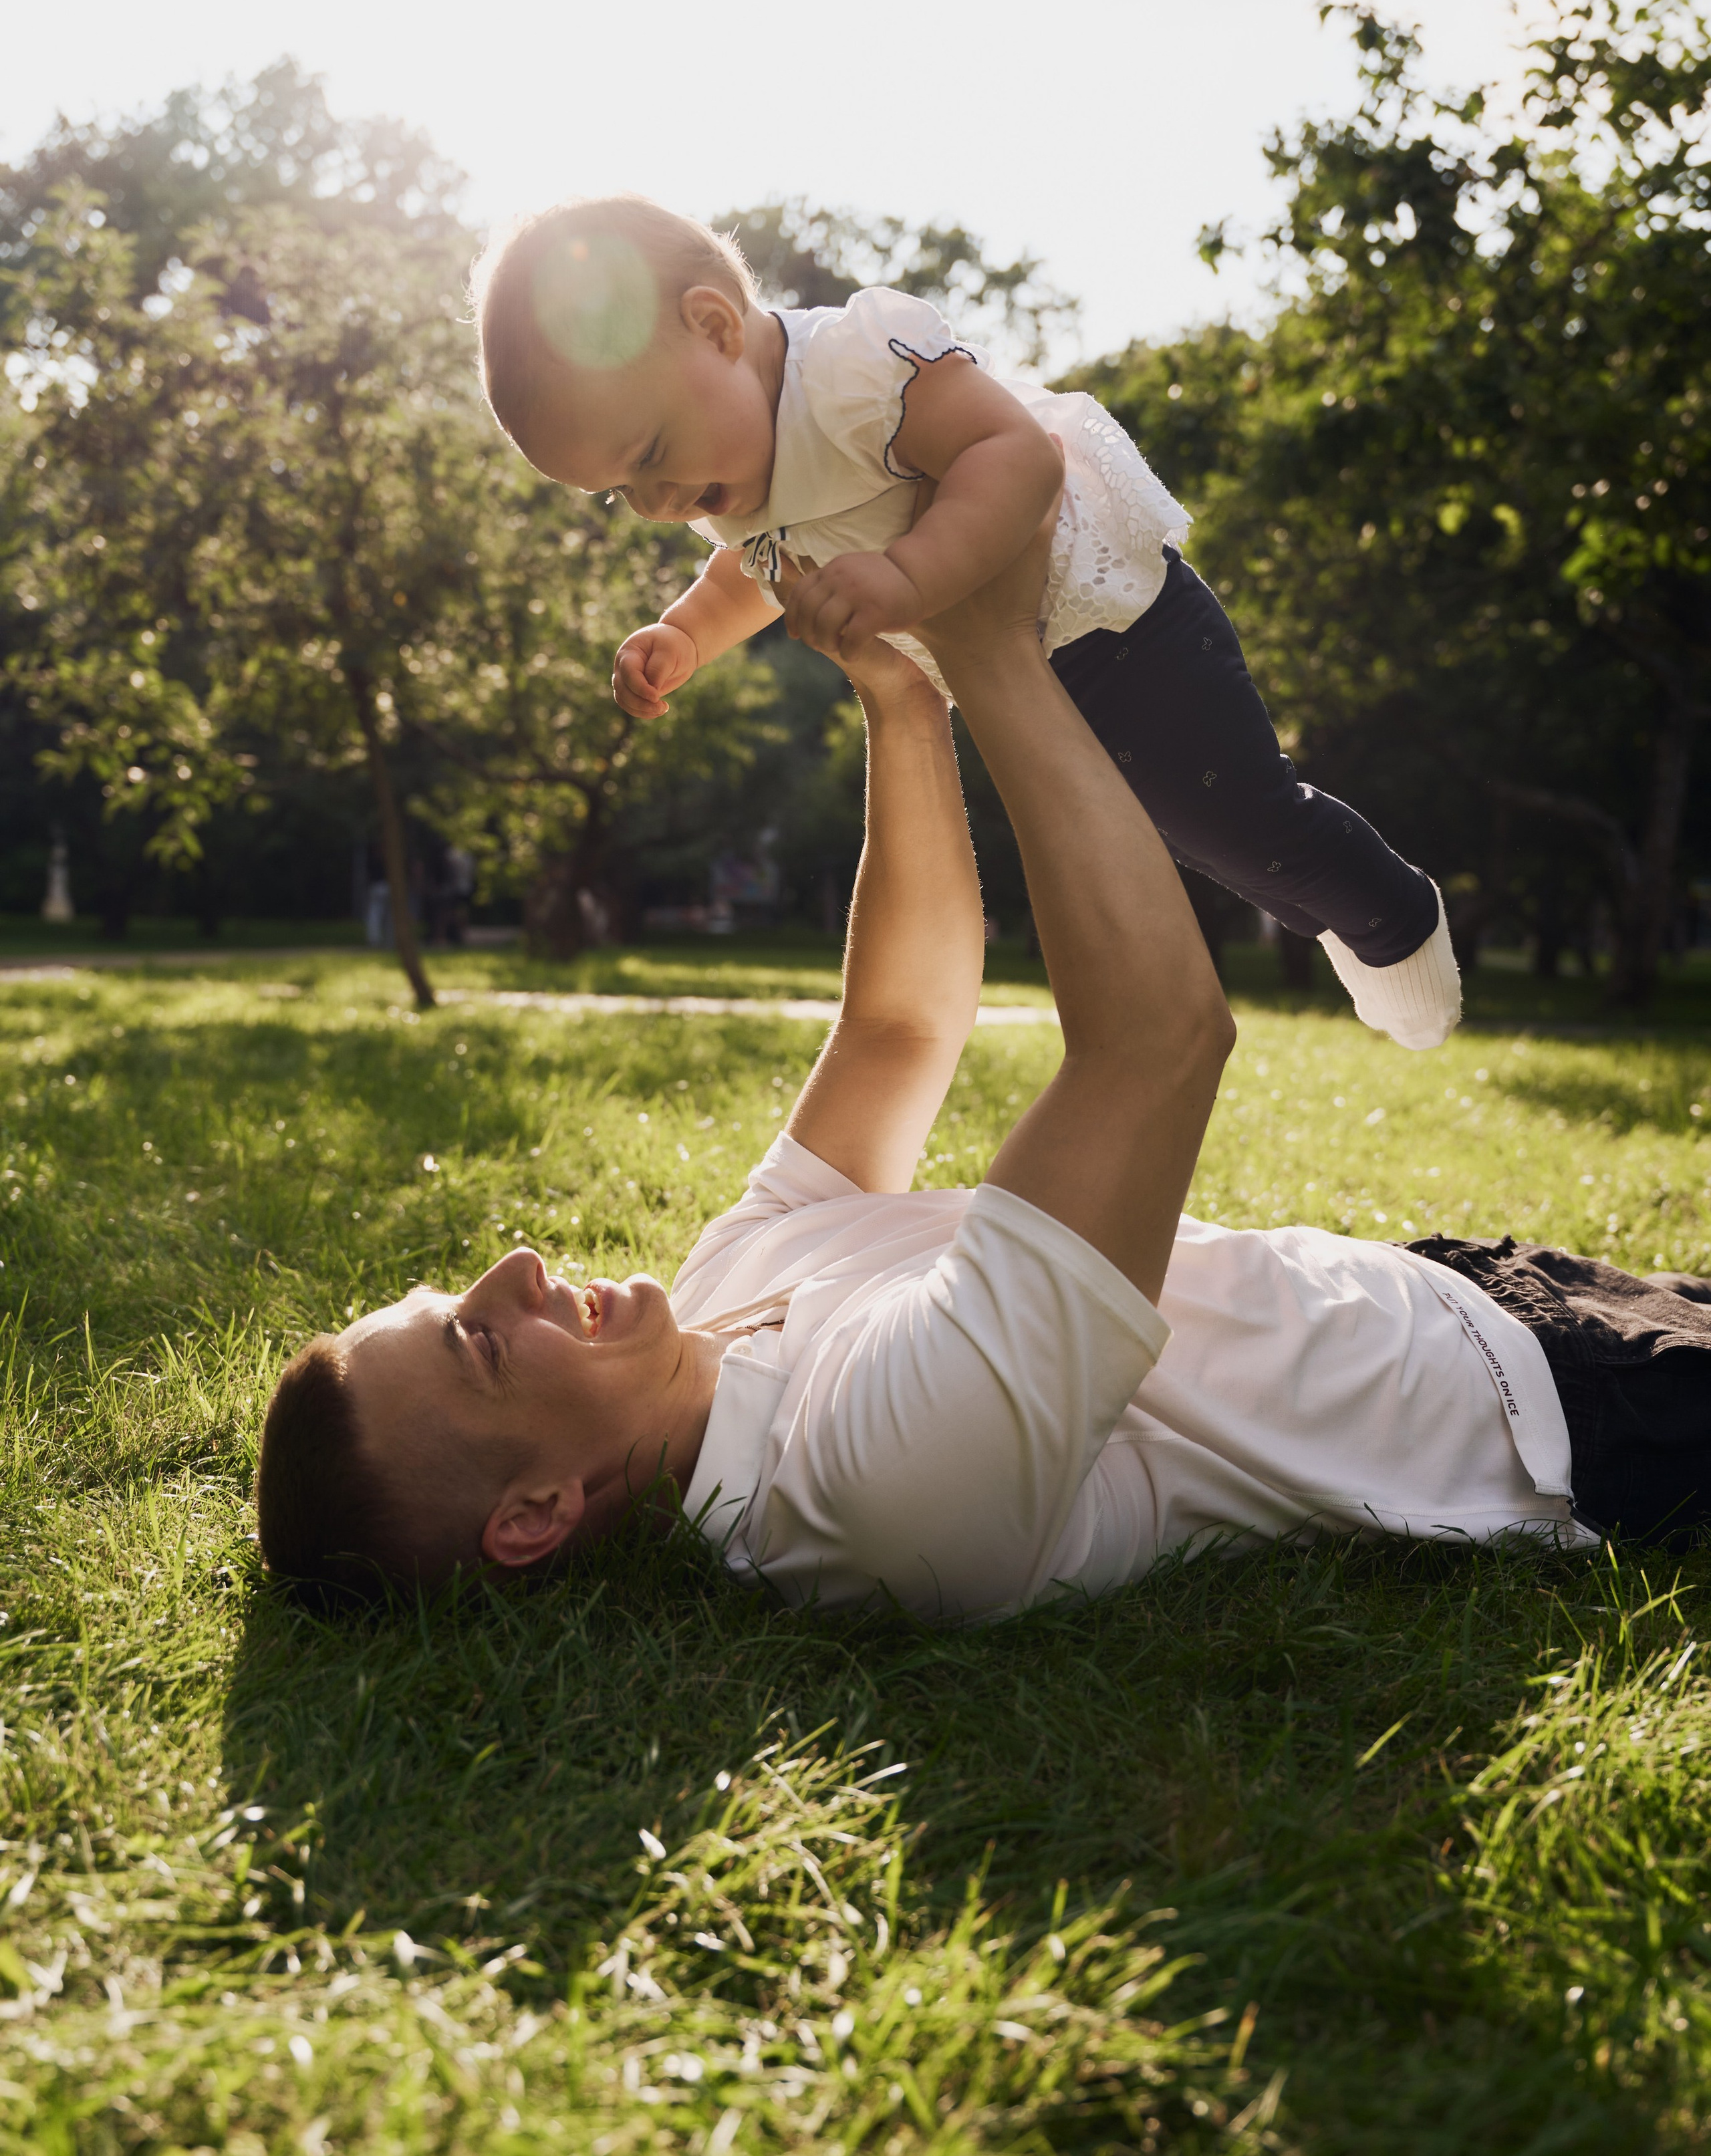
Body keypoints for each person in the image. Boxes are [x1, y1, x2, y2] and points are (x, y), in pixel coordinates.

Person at [257, 544, 1711, 1614]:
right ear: (533, 1515)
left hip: (1460, 1292)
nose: (513, 1270)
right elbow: (1158, 1041)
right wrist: (992, 642)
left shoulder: (718, 1289)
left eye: (459, 1293)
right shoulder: (865, 1494)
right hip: (1575, 1422)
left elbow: (899, 1028)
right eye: (479, 1343)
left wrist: (903, 698)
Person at [467, 192, 1462, 1051]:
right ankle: (1342, 920)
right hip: (1027, 675)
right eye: (618, 493)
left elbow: (1013, 454)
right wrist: (685, 633)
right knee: (1186, 835)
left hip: (1121, 626)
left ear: (716, 326)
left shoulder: (853, 370)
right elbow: (753, 572)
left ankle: (1395, 918)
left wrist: (910, 576)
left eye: (647, 455)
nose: (653, 504)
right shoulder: (730, 475)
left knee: (1244, 818)